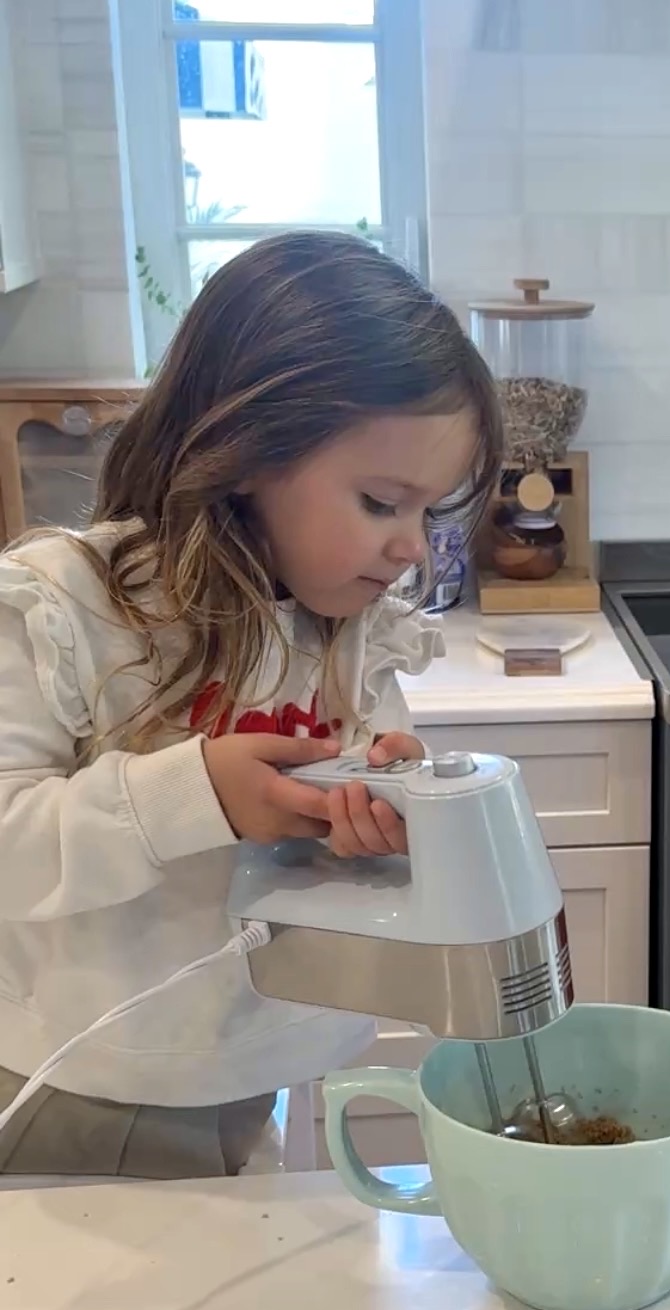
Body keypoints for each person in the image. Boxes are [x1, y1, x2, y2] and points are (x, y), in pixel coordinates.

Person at [0, 230, 502, 1178]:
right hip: (77, 1087)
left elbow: (306, 851)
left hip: (249, 1075)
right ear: (244, 451)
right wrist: (192, 795)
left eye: (429, 514)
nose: (413, 552)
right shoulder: (65, 608)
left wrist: (375, 811)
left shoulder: (346, 624)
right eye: (382, 501)